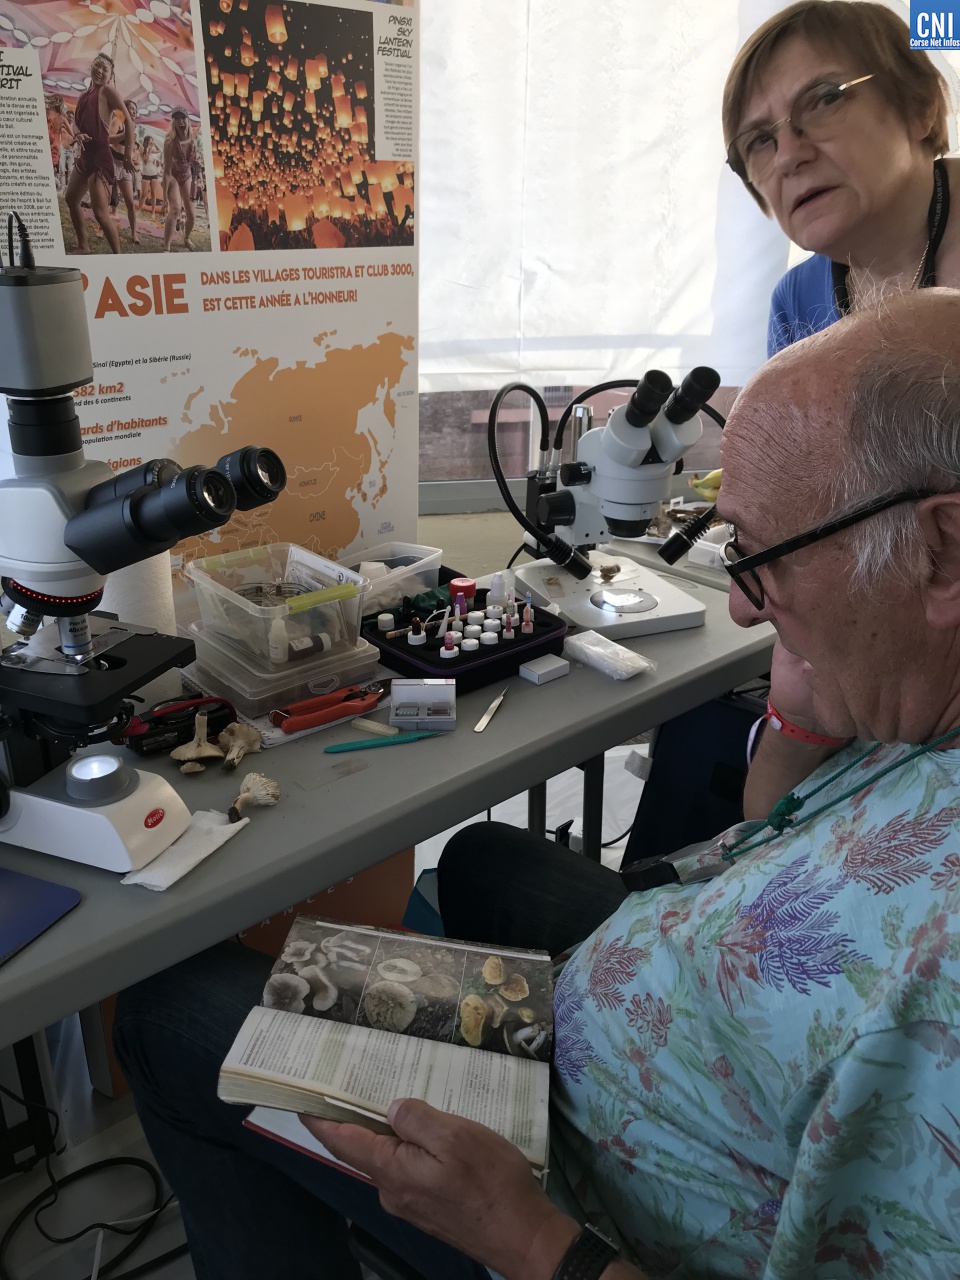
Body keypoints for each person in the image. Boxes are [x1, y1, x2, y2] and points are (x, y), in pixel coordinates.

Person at [114, 288, 960, 1279]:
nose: (739, 604)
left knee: (167, 1005)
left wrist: (521, 1235)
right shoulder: (922, 702)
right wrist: (804, 704)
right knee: (481, 857)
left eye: (761, 557)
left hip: (580, 1215)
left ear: (941, 551)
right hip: (688, 995)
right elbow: (775, 827)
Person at [722, 0, 960, 357]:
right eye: (759, 141)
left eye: (825, 100)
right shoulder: (794, 304)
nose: (787, 157)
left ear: (919, 105)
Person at [65, 53, 134, 254]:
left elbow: (127, 121)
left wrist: (128, 153)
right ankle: (83, 245)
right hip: (85, 155)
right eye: (97, 65)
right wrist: (78, 134)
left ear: (110, 76)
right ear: (91, 67)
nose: (100, 70)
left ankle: (118, 257)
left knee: (101, 213)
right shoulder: (83, 96)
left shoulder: (108, 92)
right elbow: (75, 124)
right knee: (71, 199)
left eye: (105, 68)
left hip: (100, 158)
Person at [162, 109, 197, 251]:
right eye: (177, 119)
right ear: (174, 123)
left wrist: (197, 163)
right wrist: (164, 198)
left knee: (192, 215)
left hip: (187, 175)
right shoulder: (170, 142)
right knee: (175, 209)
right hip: (173, 176)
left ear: (188, 120)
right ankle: (166, 247)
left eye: (183, 118)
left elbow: (192, 160)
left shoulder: (193, 138)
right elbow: (166, 171)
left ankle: (186, 237)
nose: (181, 121)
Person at [109, 98, 141, 245]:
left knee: (130, 201)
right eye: (131, 108)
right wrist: (125, 134)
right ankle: (105, 228)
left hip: (124, 165)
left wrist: (133, 157)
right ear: (124, 109)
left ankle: (134, 233)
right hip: (111, 161)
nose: (133, 112)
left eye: (135, 110)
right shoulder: (118, 120)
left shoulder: (133, 126)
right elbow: (108, 139)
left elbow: (130, 147)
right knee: (106, 198)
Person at [138, 135, 163, 219]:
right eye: (150, 141)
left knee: (153, 194)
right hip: (146, 174)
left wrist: (154, 144)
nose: (151, 143)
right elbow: (145, 160)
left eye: (152, 141)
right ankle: (139, 209)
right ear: (146, 141)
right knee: (144, 194)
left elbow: (159, 150)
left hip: (154, 173)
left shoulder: (152, 149)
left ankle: (153, 212)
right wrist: (148, 151)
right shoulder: (142, 149)